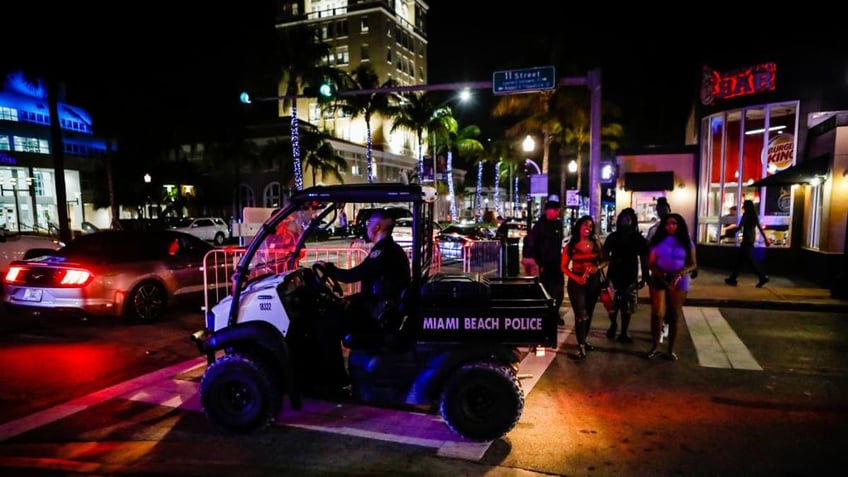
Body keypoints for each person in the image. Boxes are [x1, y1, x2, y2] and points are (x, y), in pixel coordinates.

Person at [315, 209, 411, 393]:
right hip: (378, 305)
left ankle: (335, 381)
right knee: (337, 311)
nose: (366, 228)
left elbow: (355, 274)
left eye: (369, 225)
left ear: (377, 227)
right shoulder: (387, 249)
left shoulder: (384, 251)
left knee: (325, 325)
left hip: (377, 312)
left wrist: (330, 269)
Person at [647, 213, 697, 361]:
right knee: (657, 313)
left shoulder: (687, 242)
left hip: (679, 280)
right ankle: (655, 346)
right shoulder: (657, 241)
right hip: (659, 278)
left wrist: (682, 271)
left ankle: (670, 349)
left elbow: (694, 264)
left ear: (679, 225)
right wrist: (659, 274)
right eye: (668, 223)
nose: (671, 226)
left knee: (674, 314)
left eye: (674, 223)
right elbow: (651, 263)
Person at [561, 215, 607, 360]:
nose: (588, 228)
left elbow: (605, 260)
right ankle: (581, 346)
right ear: (579, 226)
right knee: (581, 314)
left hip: (593, 282)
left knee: (589, 312)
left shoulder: (596, 244)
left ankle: (584, 341)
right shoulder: (571, 245)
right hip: (576, 283)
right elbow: (563, 266)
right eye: (585, 225)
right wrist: (576, 278)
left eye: (591, 226)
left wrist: (597, 267)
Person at [602, 208, 649, 343]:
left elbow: (644, 258)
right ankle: (613, 324)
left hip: (630, 276)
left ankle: (624, 332)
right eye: (623, 219)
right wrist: (610, 260)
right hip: (614, 274)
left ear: (633, 221)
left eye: (629, 219)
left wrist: (645, 277)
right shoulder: (613, 237)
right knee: (612, 305)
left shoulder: (638, 238)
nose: (626, 221)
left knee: (627, 307)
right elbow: (604, 253)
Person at [530, 195, 566, 326]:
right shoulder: (540, 226)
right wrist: (539, 262)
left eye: (558, 210)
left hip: (557, 263)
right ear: (548, 211)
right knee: (547, 291)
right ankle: (549, 314)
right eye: (555, 210)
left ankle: (555, 313)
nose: (557, 212)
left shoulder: (558, 224)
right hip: (545, 264)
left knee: (559, 291)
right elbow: (533, 245)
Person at [725, 199, 772, 287]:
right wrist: (766, 239)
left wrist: (726, 235)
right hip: (751, 240)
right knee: (741, 260)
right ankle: (733, 278)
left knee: (750, 261)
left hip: (746, 240)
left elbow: (739, 228)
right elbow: (760, 228)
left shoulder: (746, 215)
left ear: (746, 207)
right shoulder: (754, 215)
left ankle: (762, 277)